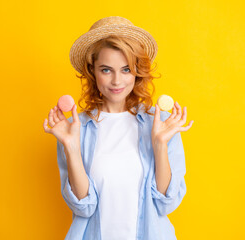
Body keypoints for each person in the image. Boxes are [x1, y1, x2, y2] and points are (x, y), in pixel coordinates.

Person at [43, 16, 194, 240]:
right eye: (106, 70)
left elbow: (166, 203)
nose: (116, 81)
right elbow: (83, 207)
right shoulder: (76, 129)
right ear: (92, 71)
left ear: (137, 71)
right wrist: (71, 148)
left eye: (126, 69)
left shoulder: (160, 124)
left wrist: (160, 144)